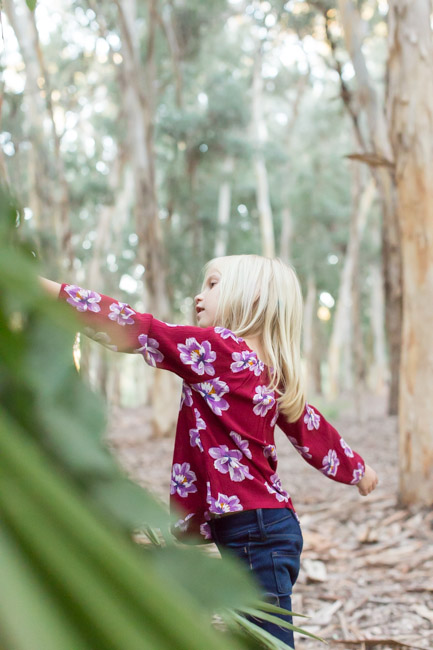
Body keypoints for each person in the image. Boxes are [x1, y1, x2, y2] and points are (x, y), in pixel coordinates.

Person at [40, 254, 378, 649]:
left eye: (213, 284)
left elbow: (140, 327)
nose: (199, 296)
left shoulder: (220, 350)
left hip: (256, 529)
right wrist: (358, 470)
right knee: (257, 635)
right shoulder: (264, 367)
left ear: (251, 297)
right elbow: (312, 429)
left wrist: (47, 290)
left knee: (269, 642)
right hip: (264, 525)